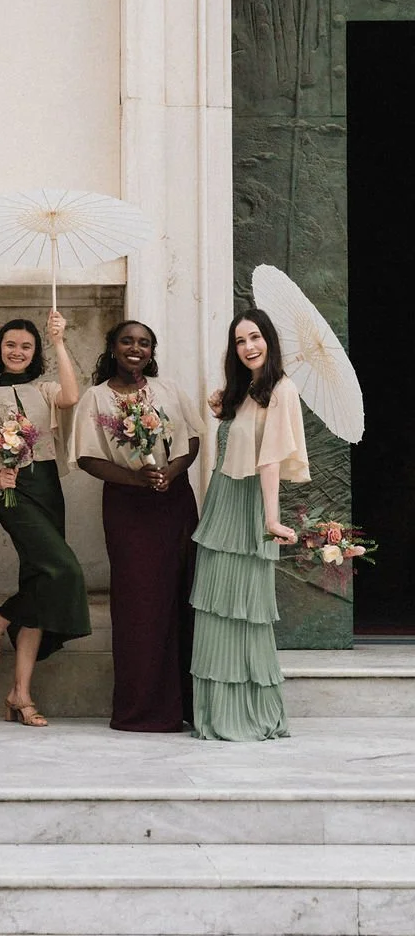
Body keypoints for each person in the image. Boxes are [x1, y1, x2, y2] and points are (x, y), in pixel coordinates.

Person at [74, 320, 201, 732]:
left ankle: (188, 704)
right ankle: (142, 709)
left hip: (174, 502)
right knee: (139, 603)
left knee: (180, 594)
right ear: (112, 347)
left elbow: (192, 440)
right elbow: (87, 457)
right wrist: (137, 479)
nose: (136, 348)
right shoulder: (96, 398)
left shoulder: (168, 390)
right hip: (127, 507)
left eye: (144, 343)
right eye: (127, 341)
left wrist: (169, 472)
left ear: (151, 351)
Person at [190, 309, 309, 741]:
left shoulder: (282, 389)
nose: (248, 347)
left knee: (244, 611)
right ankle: (214, 712)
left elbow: (270, 459)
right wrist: (226, 409)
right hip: (222, 502)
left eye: (255, 337)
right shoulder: (245, 392)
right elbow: (233, 447)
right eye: (240, 341)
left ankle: (247, 714)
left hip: (249, 508)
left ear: (269, 340)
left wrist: (271, 519)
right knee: (215, 609)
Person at [0, 312, 91, 727]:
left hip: (48, 488)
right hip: (12, 491)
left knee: (40, 581)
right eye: (10, 345)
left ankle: (19, 693)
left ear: (35, 351)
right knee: (64, 570)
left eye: (26, 346)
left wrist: (59, 341)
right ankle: (0, 617)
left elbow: (72, 395)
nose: (17, 351)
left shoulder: (45, 389)